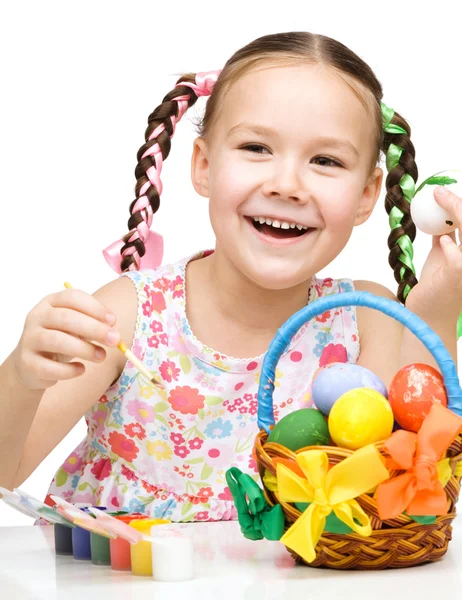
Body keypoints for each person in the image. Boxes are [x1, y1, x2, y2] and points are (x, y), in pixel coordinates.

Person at [1, 31, 460, 522]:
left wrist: (436, 308)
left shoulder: (366, 319)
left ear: (368, 195)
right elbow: (8, 469)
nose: (287, 185)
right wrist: (23, 379)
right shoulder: (128, 316)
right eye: (256, 147)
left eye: (325, 161)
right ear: (202, 166)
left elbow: (408, 495)